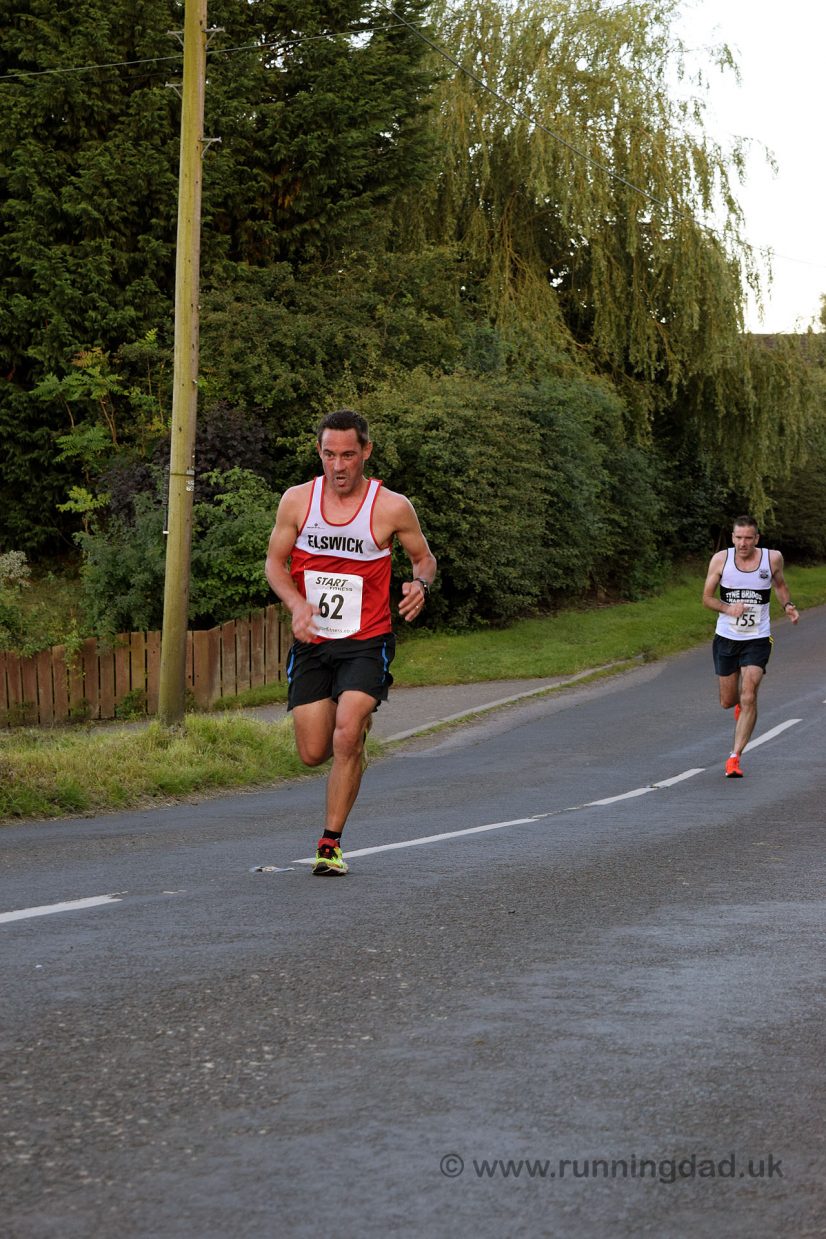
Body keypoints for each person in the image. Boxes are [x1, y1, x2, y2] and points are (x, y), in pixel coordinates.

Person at [265, 409, 437, 874]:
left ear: (366, 452)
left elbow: (424, 559)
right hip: (314, 643)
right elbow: (274, 565)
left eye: (347, 455)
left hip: (368, 639)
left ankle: (329, 844)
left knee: (345, 736)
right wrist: (297, 606)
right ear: (318, 453)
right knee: (311, 752)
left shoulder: (391, 507)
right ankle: (353, 734)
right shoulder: (298, 501)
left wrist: (420, 585)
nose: (338, 466)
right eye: (328, 455)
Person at [702, 514, 799, 778]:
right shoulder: (721, 560)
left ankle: (734, 758)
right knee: (727, 700)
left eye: (748, 538)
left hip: (757, 637)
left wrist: (788, 606)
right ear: (733, 538)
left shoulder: (772, 558)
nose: (743, 543)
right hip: (726, 637)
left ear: (756, 538)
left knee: (749, 693)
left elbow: (780, 585)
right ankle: (739, 705)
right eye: (738, 538)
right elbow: (707, 598)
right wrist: (727, 608)